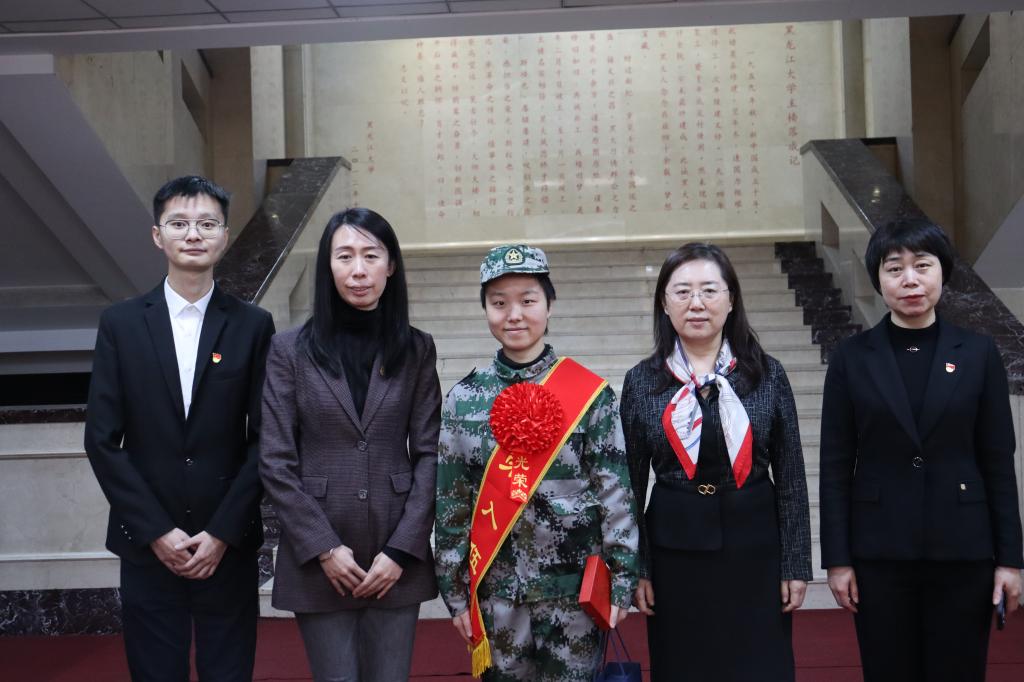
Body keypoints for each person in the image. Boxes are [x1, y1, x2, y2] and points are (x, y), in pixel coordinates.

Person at [84, 175, 275, 681]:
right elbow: (101, 439)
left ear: (225, 236)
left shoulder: (253, 325)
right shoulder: (121, 324)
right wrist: (156, 532)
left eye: (207, 224)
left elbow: (266, 439)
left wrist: (221, 533)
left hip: (226, 544)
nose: (193, 234)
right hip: (147, 542)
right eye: (179, 223)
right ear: (157, 235)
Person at [819, 217, 1024, 681]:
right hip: (879, 552)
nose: (910, 279)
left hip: (964, 550)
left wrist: (1010, 559)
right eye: (895, 268)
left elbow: (998, 461)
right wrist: (838, 560)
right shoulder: (852, 357)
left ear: (942, 272)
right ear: (879, 279)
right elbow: (835, 465)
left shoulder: (978, 353)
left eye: (922, 265)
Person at [434, 244, 639, 681]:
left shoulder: (590, 395)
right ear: (485, 310)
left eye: (528, 300)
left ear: (549, 304)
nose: (514, 315)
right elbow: (452, 502)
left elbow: (614, 492)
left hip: (574, 596)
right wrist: (454, 592)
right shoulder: (463, 400)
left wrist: (622, 578)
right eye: (499, 303)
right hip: (498, 597)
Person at [259, 208, 440, 682]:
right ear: (328, 265)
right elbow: (275, 460)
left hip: (394, 552)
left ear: (390, 265)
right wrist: (324, 548)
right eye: (345, 256)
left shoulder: (417, 349)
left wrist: (402, 550)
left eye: (370, 256)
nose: (358, 270)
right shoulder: (289, 350)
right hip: (319, 554)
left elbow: (429, 454)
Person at [620, 242, 812, 681]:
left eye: (709, 290)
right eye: (682, 292)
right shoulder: (642, 381)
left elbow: (792, 478)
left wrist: (795, 564)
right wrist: (637, 568)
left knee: (760, 666)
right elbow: (629, 485)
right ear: (664, 303)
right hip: (673, 553)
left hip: (756, 548)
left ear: (731, 300)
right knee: (684, 666)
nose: (697, 303)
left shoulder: (767, 374)